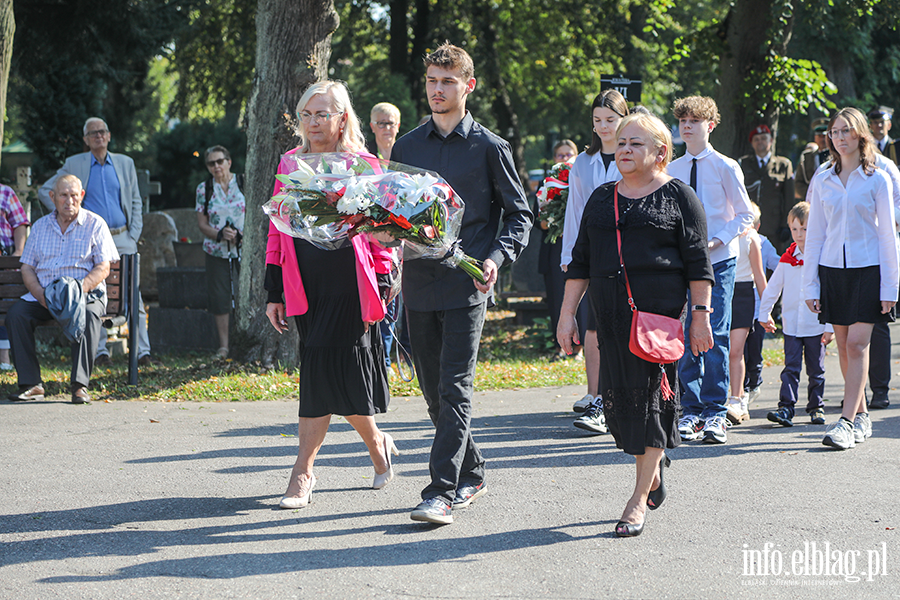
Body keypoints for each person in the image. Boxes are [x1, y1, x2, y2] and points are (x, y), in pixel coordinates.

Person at [390, 43, 533, 525]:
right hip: (419, 284)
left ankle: (441, 492)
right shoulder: (406, 147)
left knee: (454, 386)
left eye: (447, 82)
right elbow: (393, 216)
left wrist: (495, 258)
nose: (437, 89)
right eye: (431, 80)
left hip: (469, 285)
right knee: (433, 392)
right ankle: (472, 470)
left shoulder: (490, 147)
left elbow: (519, 215)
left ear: (468, 86)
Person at [558, 112, 713, 537]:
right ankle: (654, 467)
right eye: (621, 142)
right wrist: (568, 313)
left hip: (659, 321)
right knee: (622, 408)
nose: (624, 149)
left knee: (651, 404)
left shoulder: (680, 197)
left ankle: (636, 498)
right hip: (609, 319)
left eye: (635, 143)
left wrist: (700, 317)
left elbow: (699, 265)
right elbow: (581, 261)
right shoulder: (601, 197)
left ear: (661, 152)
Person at [264, 81, 398, 508]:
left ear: (343, 118)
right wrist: (274, 289)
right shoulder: (290, 162)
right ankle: (376, 444)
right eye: (307, 114)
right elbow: (275, 229)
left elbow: (384, 233)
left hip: (351, 282)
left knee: (328, 370)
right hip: (307, 283)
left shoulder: (364, 163)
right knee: (328, 371)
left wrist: (383, 281)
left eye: (323, 114)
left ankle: (302, 474)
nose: (314, 122)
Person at [803, 107, 899, 450]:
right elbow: (814, 235)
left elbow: (888, 235)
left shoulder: (879, 178)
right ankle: (860, 415)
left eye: (846, 131)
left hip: (868, 270)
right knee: (843, 346)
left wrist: (891, 287)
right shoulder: (823, 177)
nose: (839, 137)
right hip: (832, 271)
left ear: (860, 134)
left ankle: (844, 422)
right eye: (834, 132)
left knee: (858, 344)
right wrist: (810, 284)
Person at [38, 117, 161, 367]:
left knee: (132, 294)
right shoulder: (75, 163)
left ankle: (142, 352)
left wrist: (134, 234)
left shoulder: (125, 163)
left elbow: (135, 200)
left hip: (123, 237)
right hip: (91, 239)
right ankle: (100, 351)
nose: (98, 136)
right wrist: (67, 215)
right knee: (96, 293)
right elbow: (45, 190)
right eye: (92, 133)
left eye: (102, 132)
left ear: (109, 135)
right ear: (85, 139)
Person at [668, 96, 754, 444]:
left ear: (710, 125)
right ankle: (690, 410)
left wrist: (717, 240)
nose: (686, 125)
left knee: (715, 333)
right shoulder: (671, 168)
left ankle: (716, 411)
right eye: (682, 120)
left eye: (694, 120)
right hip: (683, 263)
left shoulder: (725, 165)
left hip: (719, 260)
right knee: (687, 332)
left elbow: (745, 214)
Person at [7, 175, 118, 404]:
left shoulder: (95, 224)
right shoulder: (39, 227)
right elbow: (27, 267)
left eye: (74, 195)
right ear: (53, 197)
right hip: (47, 296)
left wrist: (79, 291)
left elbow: (103, 267)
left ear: (82, 196)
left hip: (85, 294)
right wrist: (39, 294)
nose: (69, 201)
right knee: (17, 315)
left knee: (87, 315)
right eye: (64, 195)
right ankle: (31, 384)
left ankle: (79, 386)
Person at [560, 90, 629, 432]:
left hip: (627, 252)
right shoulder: (583, 162)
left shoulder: (631, 156)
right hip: (592, 251)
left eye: (611, 120)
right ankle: (596, 396)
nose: (604, 127)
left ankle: (621, 396)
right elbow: (574, 210)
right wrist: (568, 255)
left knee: (622, 325)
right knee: (592, 326)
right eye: (598, 121)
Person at [760, 201, 833, 427]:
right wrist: (765, 313)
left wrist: (830, 326)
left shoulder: (823, 258)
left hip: (815, 325)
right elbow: (773, 288)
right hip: (792, 324)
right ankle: (786, 407)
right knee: (790, 367)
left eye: (805, 229)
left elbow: (831, 294)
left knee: (816, 369)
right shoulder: (787, 259)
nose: (799, 234)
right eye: (794, 229)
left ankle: (816, 407)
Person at [195, 145, 245, 359]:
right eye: (211, 163)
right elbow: (202, 223)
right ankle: (223, 346)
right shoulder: (204, 188)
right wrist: (219, 234)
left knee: (247, 292)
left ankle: (248, 340)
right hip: (216, 250)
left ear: (229, 162)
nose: (216, 166)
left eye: (219, 161)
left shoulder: (243, 182)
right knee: (220, 297)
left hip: (245, 249)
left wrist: (240, 235)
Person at [724, 203, 767, 425]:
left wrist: (767, 310)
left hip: (742, 293)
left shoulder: (752, 240)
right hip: (721, 290)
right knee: (718, 349)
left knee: (736, 349)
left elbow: (760, 277)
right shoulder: (721, 233)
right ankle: (719, 398)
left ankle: (738, 397)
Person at [537, 140, 577, 361]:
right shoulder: (547, 185)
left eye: (569, 154)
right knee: (556, 297)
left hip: (578, 247)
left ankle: (578, 347)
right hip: (554, 247)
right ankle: (561, 346)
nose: (564, 159)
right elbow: (540, 221)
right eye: (560, 155)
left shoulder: (580, 180)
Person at [738, 125, 795, 252]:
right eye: (756, 139)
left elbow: (789, 199)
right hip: (749, 226)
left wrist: (786, 225)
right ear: (752, 143)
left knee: (773, 266)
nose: (760, 142)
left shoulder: (783, 165)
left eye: (764, 138)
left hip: (774, 228)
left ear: (771, 140)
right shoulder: (743, 163)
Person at [0, 183, 30, 370]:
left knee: (4, 305)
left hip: (4, 260)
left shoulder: (5, 192)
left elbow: (19, 223)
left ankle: (4, 357)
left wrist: (19, 252)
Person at [795, 119, 829, 200]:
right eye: (819, 136)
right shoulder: (806, 157)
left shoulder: (837, 157)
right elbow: (798, 182)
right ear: (815, 138)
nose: (822, 139)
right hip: (810, 200)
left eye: (824, 136)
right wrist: (811, 194)